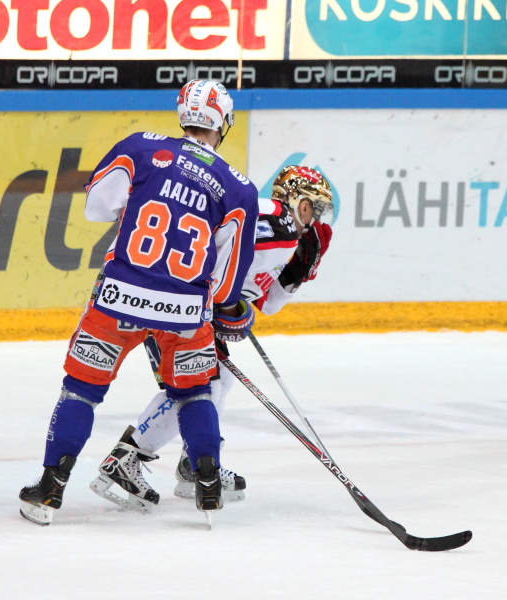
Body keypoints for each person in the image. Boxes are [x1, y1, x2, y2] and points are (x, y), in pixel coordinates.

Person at [19, 79, 260, 525]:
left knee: (81, 390)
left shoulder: (141, 147)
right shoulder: (240, 188)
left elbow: (97, 205)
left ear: (182, 113)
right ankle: (207, 489)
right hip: (185, 311)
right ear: (223, 123)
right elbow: (226, 288)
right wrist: (231, 309)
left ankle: (50, 490)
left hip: (118, 299)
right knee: (195, 394)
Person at [89, 165, 334, 511]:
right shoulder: (272, 217)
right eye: (317, 207)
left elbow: (267, 302)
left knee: (220, 381)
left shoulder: (289, 236)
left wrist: (297, 273)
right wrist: (222, 305)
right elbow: (209, 249)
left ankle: (196, 461)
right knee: (201, 385)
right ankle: (125, 460)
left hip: (194, 303)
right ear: (301, 203)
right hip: (174, 298)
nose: (319, 217)